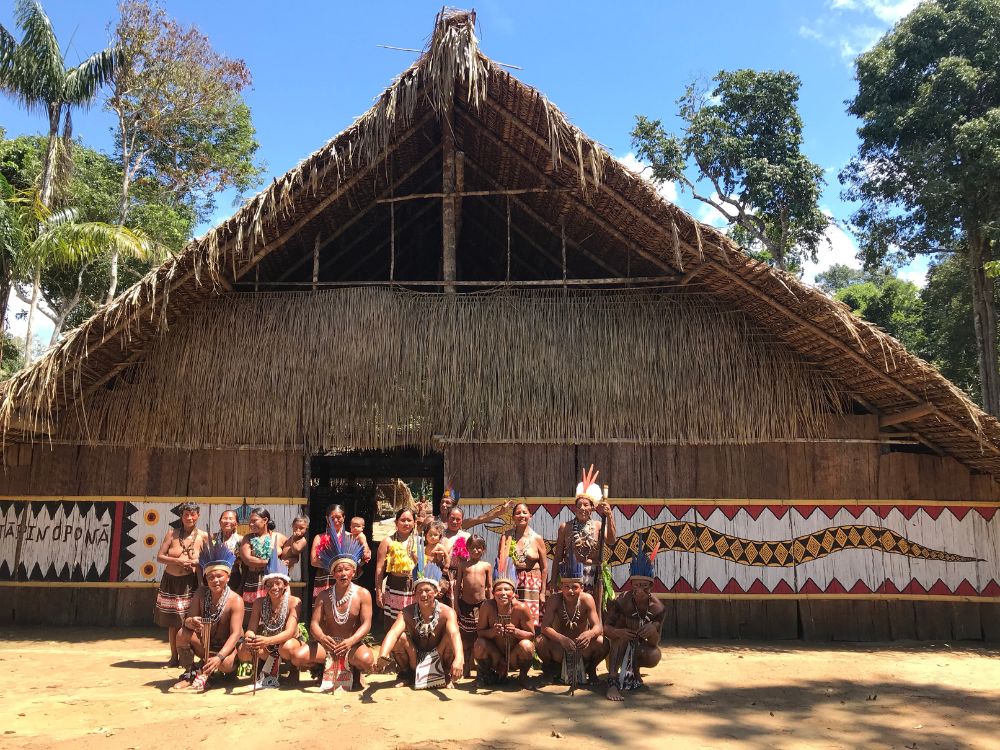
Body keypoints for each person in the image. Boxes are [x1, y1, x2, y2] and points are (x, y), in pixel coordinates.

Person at [292, 529, 374, 692]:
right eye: (339, 570)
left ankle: (355, 669)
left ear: (353, 571)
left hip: (351, 644)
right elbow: (314, 623)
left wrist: (351, 641)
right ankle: (321, 669)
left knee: (367, 660)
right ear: (333, 573)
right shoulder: (324, 595)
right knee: (297, 656)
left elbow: (366, 624)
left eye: (347, 569)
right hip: (328, 644)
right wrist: (323, 638)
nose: (343, 573)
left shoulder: (363, 594)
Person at [170, 537, 245, 692]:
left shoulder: (235, 600)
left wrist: (220, 657)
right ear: (206, 579)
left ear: (228, 577)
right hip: (205, 644)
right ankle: (191, 673)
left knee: (225, 665)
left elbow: (236, 633)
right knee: (182, 633)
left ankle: (215, 672)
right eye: (210, 577)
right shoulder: (200, 593)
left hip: (226, 649)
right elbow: (188, 620)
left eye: (219, 576)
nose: (215, 580)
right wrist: (191, 621)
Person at [377, 556, 463, 689]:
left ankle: (444, 674)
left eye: (428, 590)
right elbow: (393, 633)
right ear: (415, 594)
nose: (423, 595)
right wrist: (383, 654)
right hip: (415, 657)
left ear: (436, 592)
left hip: (438, 655)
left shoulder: (447, 612)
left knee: (449, 638)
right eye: (419, 591)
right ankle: (408, 675)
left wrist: (459, 658)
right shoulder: (406, 612)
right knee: (400, 638)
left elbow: (454, 634)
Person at [536, 552, 608, 688]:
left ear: (582, 587)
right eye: (566, 587)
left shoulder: (587, 599)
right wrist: (562, 639)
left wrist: (589, 634)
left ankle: (591, 670)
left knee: (601, 641)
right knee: (540, 641)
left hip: (581, 647)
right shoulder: (554, 600)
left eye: (574, 587)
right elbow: (545, 627)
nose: (570, 591)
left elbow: (598, 626)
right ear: (561, 587)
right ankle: (550, 669)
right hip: (559, 647)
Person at [604, 543, 664, 701]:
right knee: (622, 638)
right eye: (636, 585)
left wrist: (652, 629)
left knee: (654, 654)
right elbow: (605, 628)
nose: (639, 589)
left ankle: (634, 670)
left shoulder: (657, 608)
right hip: (617, 650)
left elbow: (655, 642)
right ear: (631, 585)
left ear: (651, 586)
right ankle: (612, 681)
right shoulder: (621, 601)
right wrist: (618, 632)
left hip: (638, 648)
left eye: (644, 586)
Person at [154, 502, 209, 667]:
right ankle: (173, 657)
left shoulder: (204, 536)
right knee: (173, 622)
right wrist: (178, 561)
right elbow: (160, 557)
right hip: (171, 582)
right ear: (181, 516)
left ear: (198, 515)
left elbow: (208, 560)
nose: (189, 518)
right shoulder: (172, 534)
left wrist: (196, 566)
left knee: (191, 620)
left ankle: (194, 655)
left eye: (193, 514)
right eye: (186, 514)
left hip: (191, 583)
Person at [238, 550, 302, 690]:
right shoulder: (259, 602)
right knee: (244, 650)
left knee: (287, 647)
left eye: (278, 583)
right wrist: (250, 638)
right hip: (267, 642)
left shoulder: (294, 602)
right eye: (270, 584)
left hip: (286, 642)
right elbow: (251, 628)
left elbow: (290, 632)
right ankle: (262, 667)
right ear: (265, 586)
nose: (274, 587)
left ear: (285, 584)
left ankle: (293, 669)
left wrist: (267, 641)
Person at [549, 465, 616, 598]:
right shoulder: (565, 527)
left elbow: (611, 541)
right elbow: (557, 556)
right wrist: (553, 580)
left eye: (586, 505)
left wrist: (609, 516)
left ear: (592, 508)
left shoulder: (598, 525)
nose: (582, 508)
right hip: (570, 576)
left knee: (591, 612)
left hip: (593, 575)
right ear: (575, 508)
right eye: (579, 505)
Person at [474, 551, 535, 686]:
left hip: (514, 656)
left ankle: (523, 676)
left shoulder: (521, 608)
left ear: (513, 593)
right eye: (499, 590)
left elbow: (531, 635)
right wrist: (492, 632)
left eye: (507, 590)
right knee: (479, 644)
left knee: (527, 646)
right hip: (495, 656)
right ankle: (486, 673)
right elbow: (480, 632)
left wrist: (516, 632)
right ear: (494, 593)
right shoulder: (487, 606)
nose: (503, 593)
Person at [374, 508, 418, 630]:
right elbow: (379, 569)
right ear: (396, 522)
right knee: (393, 623)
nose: (406, 523)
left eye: (409, 520)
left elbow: (423, 568)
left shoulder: (419, 541)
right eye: (402, 520)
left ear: (414, 522)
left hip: (413, 587)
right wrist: (378, 592)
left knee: (411, 621)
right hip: (394, 586)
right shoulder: (388, 541)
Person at [455, 534, 492, 678]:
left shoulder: (486, 566)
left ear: (483, 549)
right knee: (466, 637)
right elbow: (457, 587)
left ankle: (480, 668)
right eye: (472, 548)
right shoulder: (463, 565)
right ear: (467, 549)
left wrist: (491, 605)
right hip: (465, 606)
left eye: (479, 548)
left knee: (479, 635)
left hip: (481, 606)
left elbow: (489, 587)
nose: (476, 551)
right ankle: (466, 668)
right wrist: (456, 605)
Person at [509, 502, 547, 629]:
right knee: (513, 617)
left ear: (530, 516)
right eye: (518, 513)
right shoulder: (507, 537)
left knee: (531, 620)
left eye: (525, 512)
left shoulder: (537, 538)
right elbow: (502, 562)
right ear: (513, 517)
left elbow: (544, 567)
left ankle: (532, 647)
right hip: (512, 581)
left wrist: (542, 592)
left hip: (532, 581)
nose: (521, 515)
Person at [239, 508, 287, 608]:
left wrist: (287, 562)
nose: (251, 524)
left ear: (265, 520)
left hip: (275, 582)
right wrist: (273, 562)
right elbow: (248, 560)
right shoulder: (248, 538)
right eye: (250, 522)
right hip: (254, 580)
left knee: (274, 610)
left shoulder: (279, 537)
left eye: (254, 521)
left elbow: (292, 556)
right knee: (253, 613)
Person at [437, 486, 512, 531]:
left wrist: (500, 512)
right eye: (442, 502)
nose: (443, 505)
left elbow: (481, 518)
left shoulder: (459, 524)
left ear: (454, 507)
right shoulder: (432, 521)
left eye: (447, 503)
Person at [215, 509, 243, 594]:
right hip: (215, 579)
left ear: (236, 523)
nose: (227, 521)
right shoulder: (212, 538)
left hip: (234, 578)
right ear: (220, 522)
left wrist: (241, 586)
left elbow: (245, 566)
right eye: (225, 518)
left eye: (231, 519)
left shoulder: (241, 540)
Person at [423, 521, 451, 602]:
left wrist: (446, 567)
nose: (432, 537)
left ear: (440, 536)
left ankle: (439, 597)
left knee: (439, 587)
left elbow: (446, 557)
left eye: (435, 535)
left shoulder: (439, 546)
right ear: (426, 536)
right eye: (430, 535)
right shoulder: (425, 547)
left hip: (436, 570)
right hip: (426, 572)